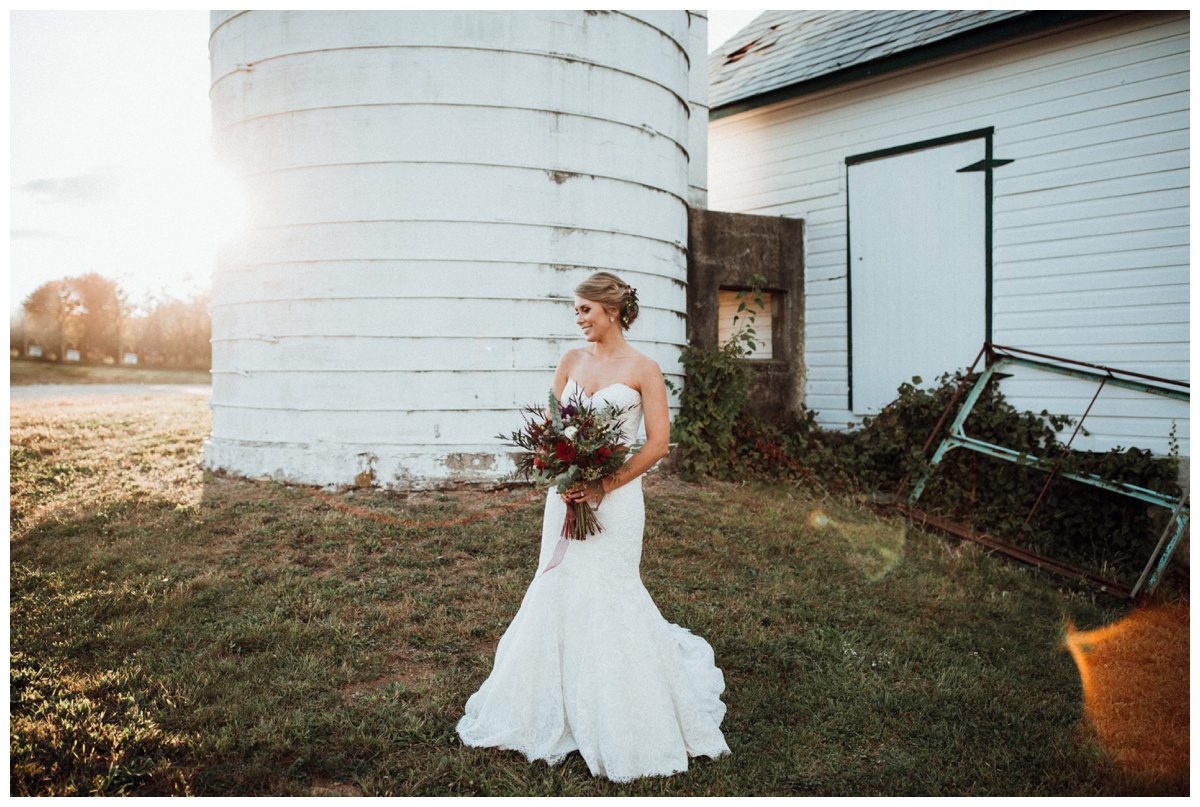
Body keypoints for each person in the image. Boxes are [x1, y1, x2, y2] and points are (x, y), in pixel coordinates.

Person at [456, 271, 731, 782]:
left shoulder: (645, 369)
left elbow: (656, 444)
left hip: (617, 499)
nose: (578, 318)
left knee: (610, 590)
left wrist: (605, 484)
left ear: (611, 310)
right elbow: (550, 428)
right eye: (576, 311)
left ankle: (621, 712)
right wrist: (559, 467)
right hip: (566, 497)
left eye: (585, 310)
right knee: (558, 585)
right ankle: (553, 704)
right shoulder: (571, 362)